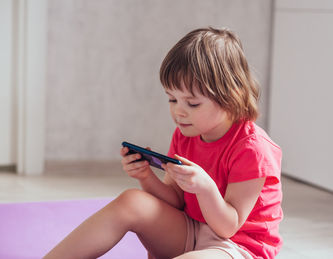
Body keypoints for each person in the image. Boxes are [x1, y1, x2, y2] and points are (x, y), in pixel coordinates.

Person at [44, 27, 283, 259]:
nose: (179, 112)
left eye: (192, 103)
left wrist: (205, 188)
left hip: (237, 247)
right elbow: (175, 200)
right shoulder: (186, 134)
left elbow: (228, 227)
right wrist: (146, 176)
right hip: (190, 231)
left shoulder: (253, 148)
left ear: (231, 96)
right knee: (131, 200)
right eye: (172, 99)